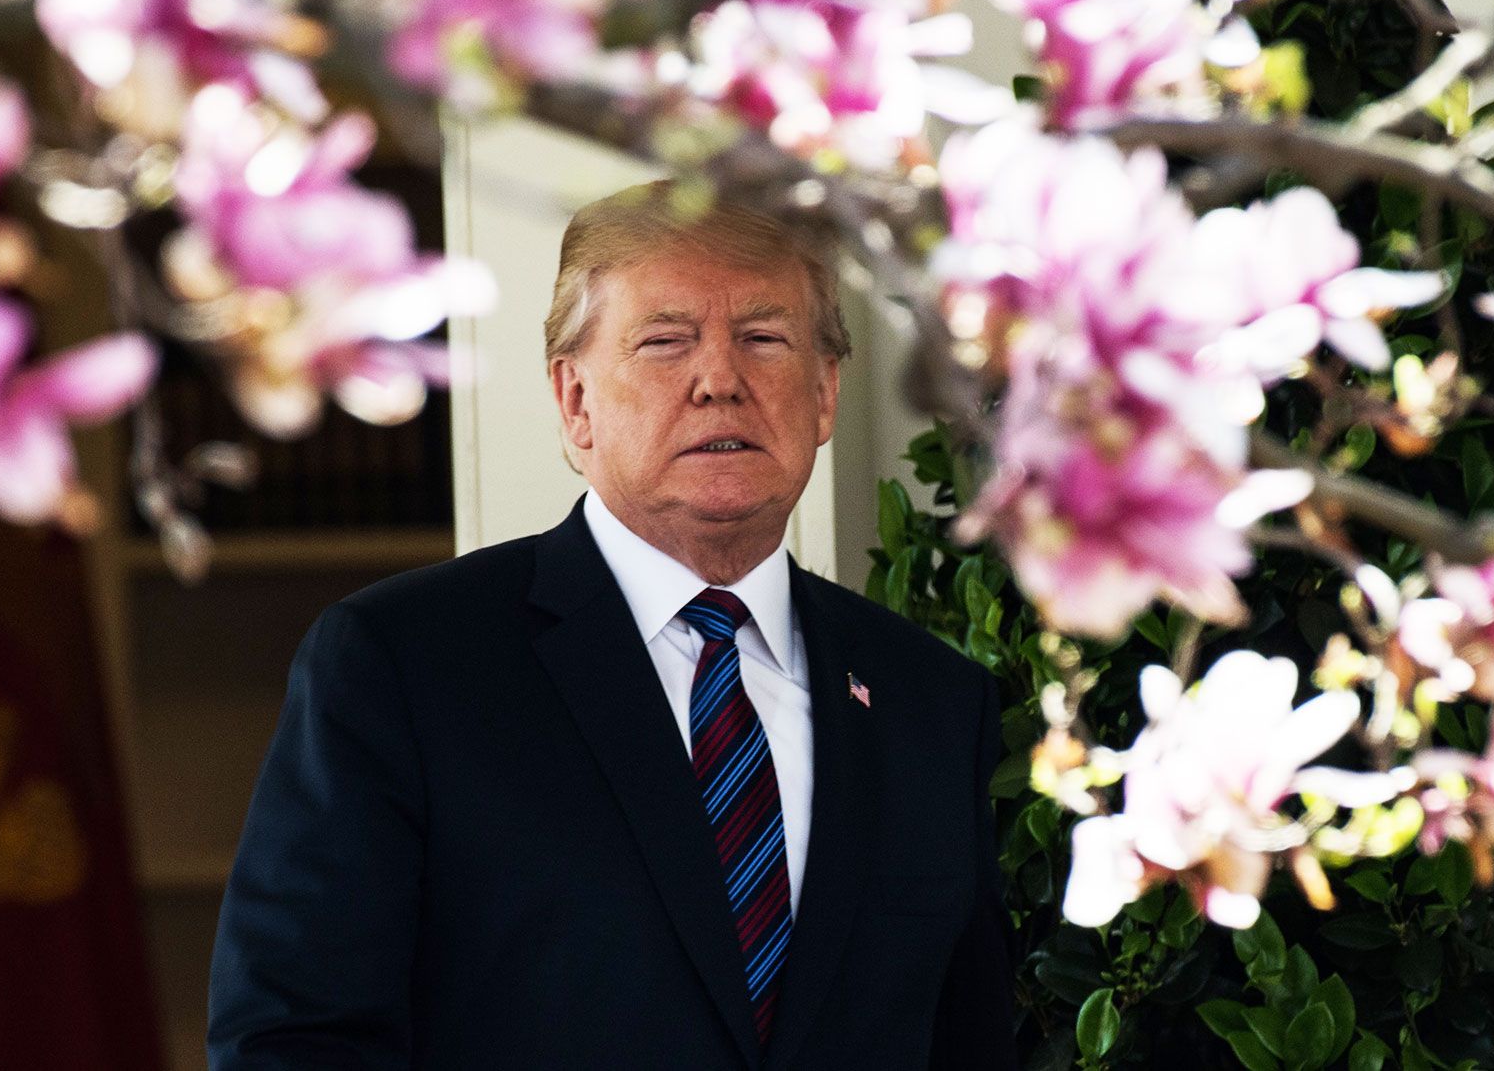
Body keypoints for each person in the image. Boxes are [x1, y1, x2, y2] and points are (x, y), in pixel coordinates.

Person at [208, 182, 1017, 1070]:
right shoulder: (403, 666)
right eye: (665, 342)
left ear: (825, 395)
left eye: (763, 338)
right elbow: (292, 1041)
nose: (719, 381)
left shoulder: (932, 702)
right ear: (575, 401)